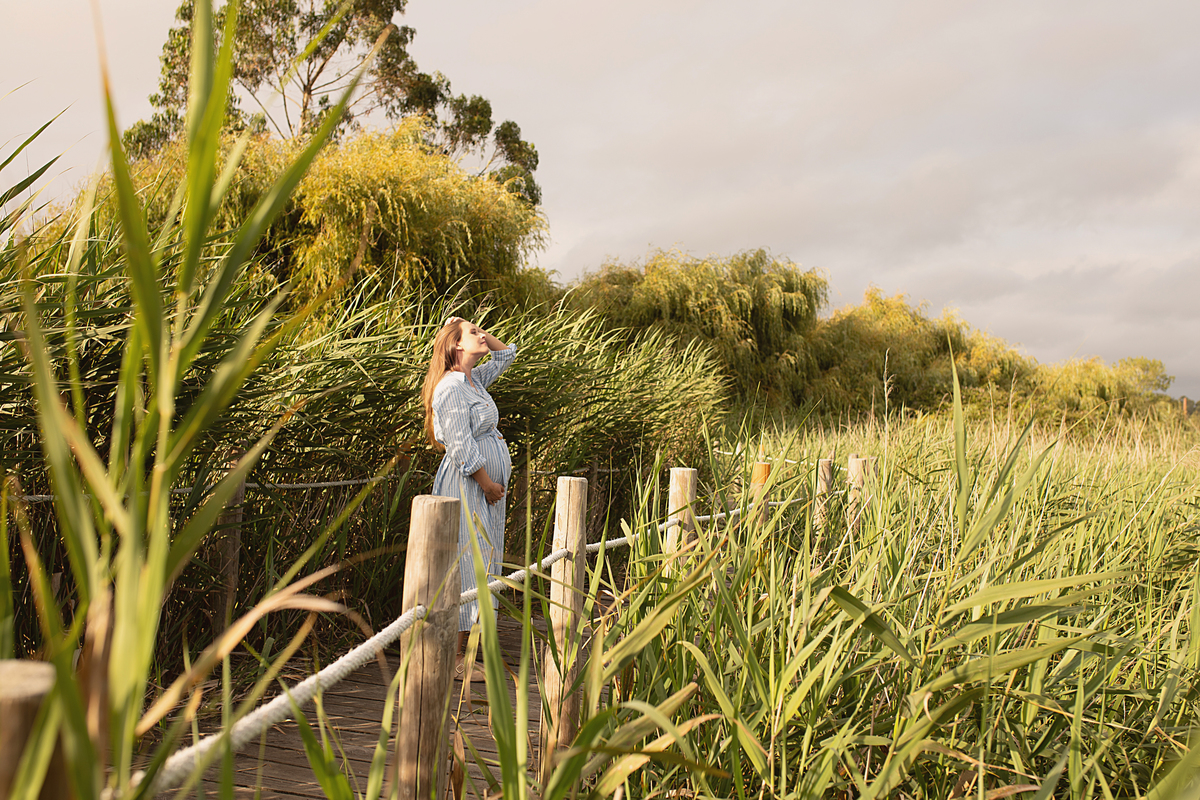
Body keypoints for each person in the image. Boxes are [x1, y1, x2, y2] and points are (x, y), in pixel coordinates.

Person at [422, 316, 515, 681]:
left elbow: (507, 355)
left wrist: (469, 329)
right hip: (468, 484)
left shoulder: (474, 381)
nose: (482, 335)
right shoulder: (451, 388)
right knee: (467, 562)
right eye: (473, 333)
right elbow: (460, 445)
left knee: (485, 560)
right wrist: (488, 482)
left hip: (483, 487)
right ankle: (456, 657)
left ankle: (470, 652)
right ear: (456, 346)